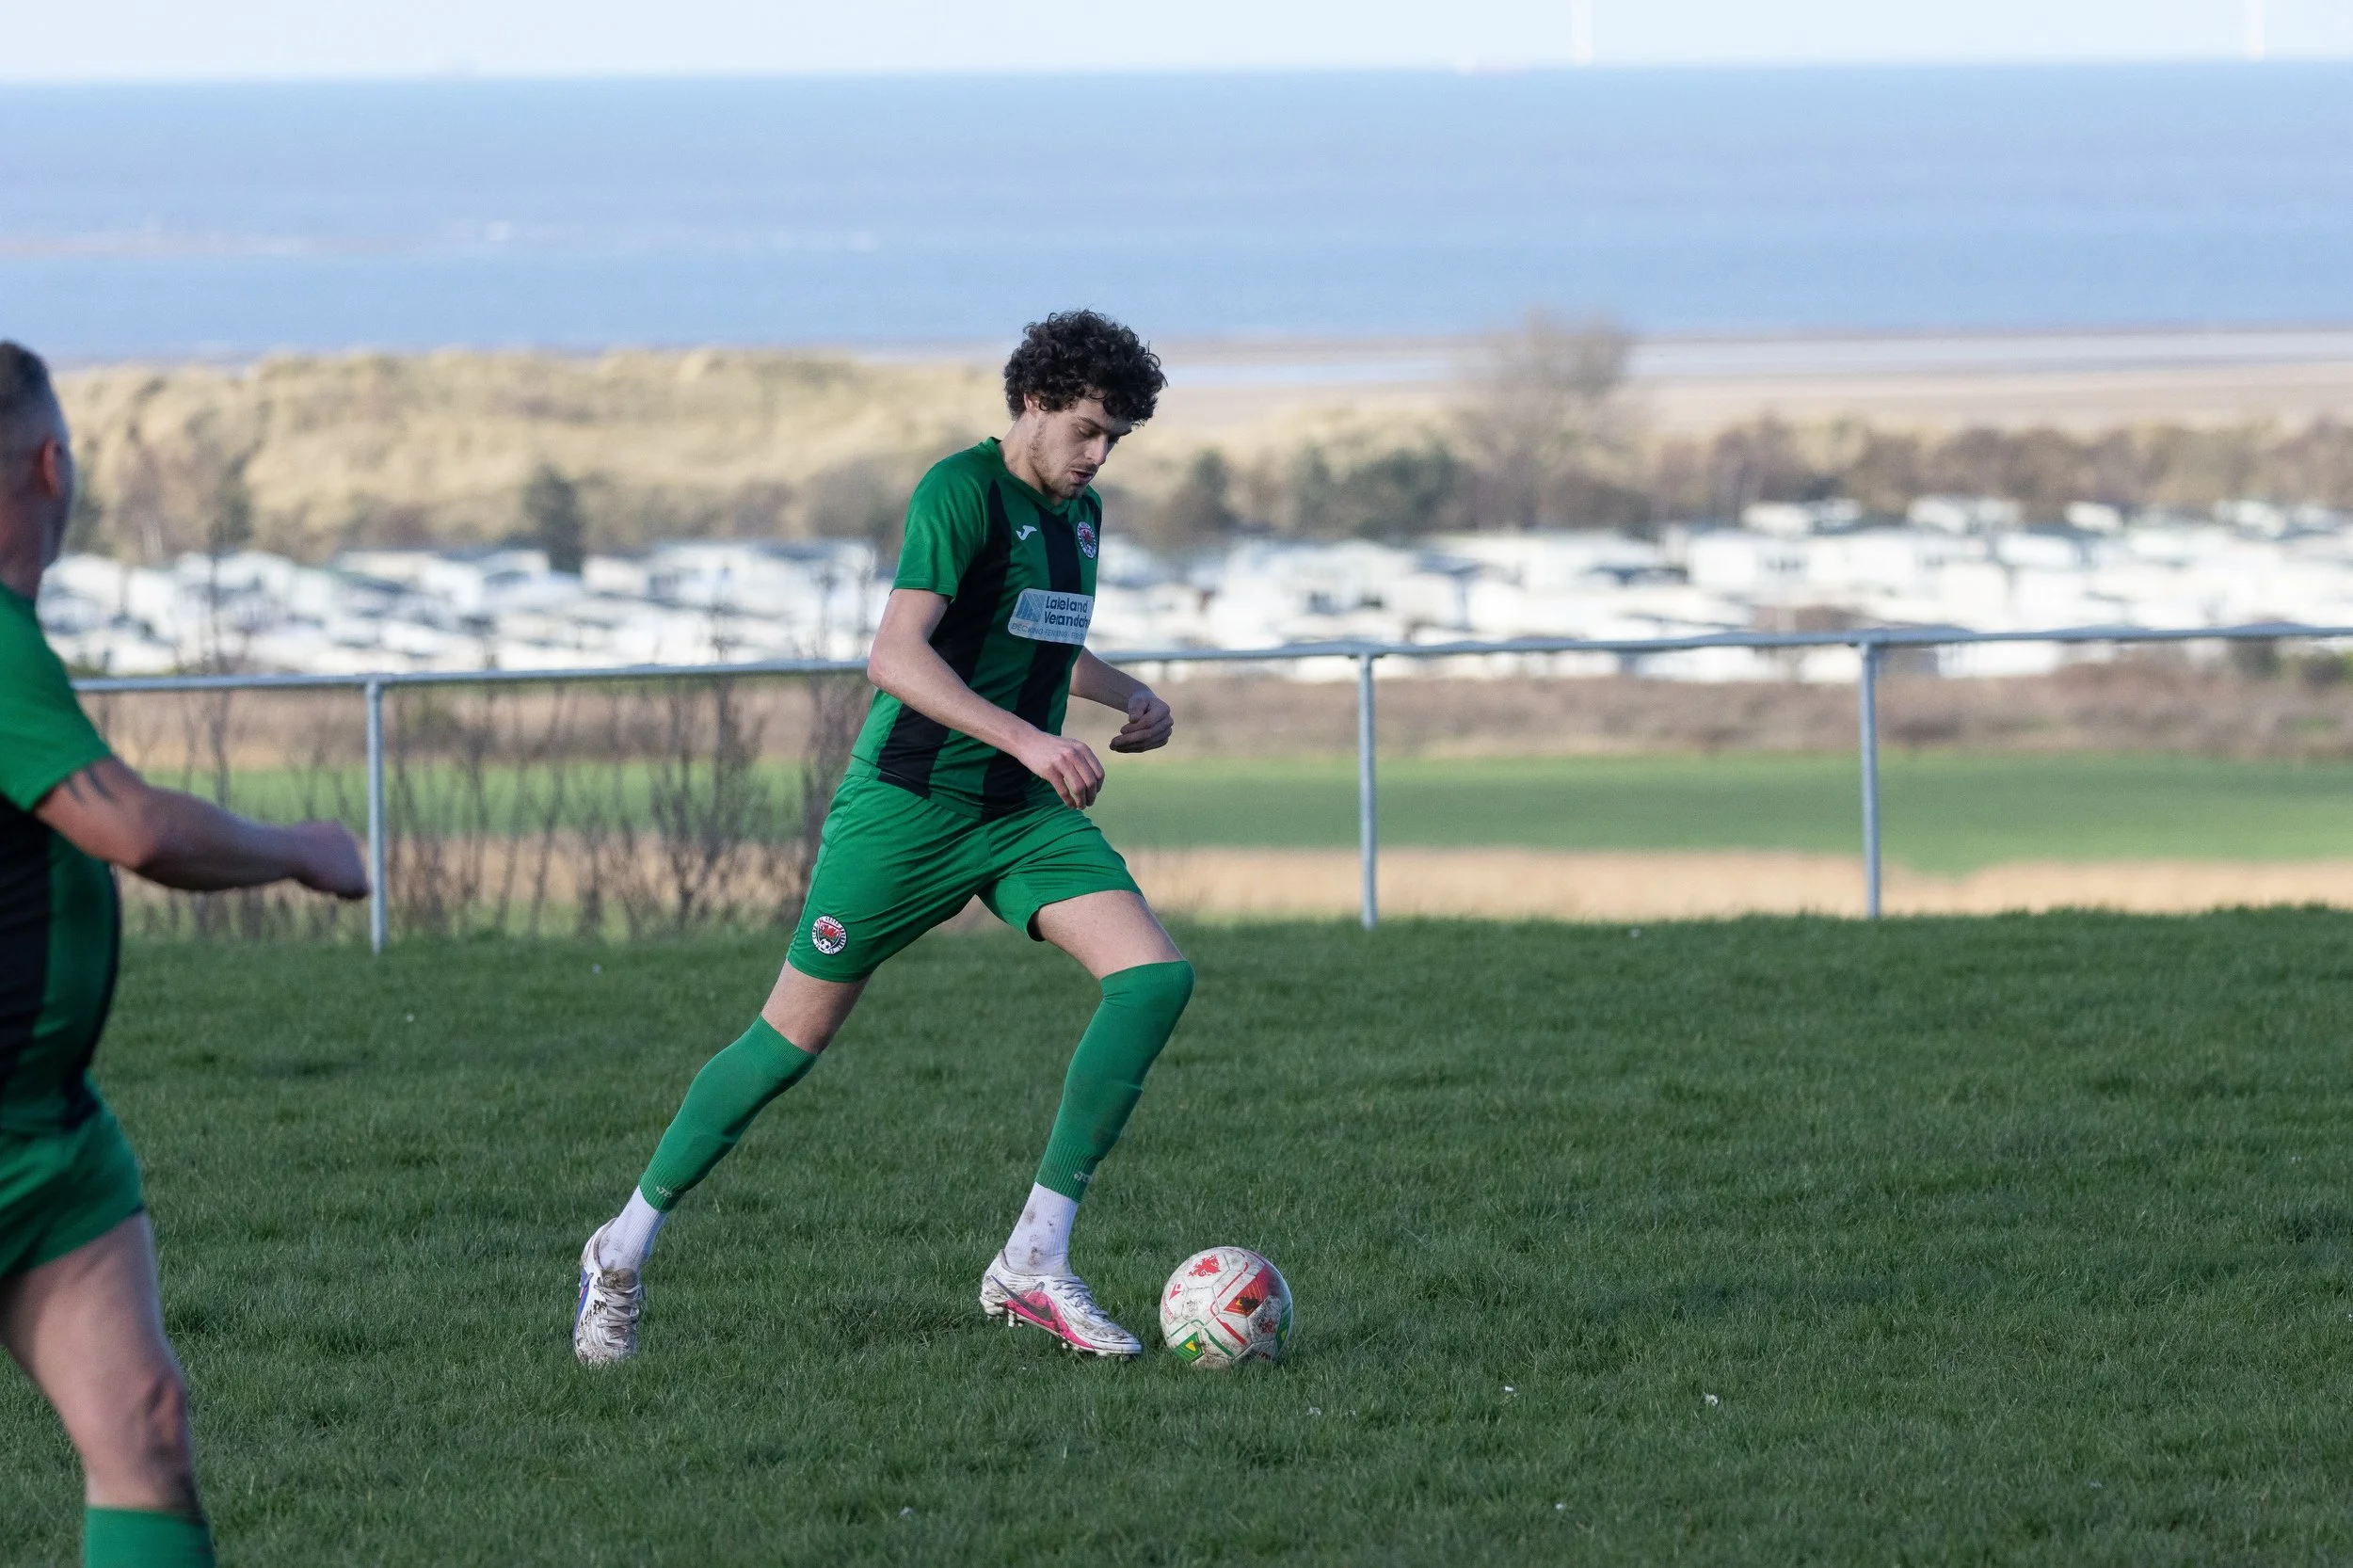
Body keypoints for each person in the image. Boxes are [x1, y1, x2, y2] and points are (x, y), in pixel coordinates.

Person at [575, 311, 1190, 1363]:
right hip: (907, 809)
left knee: (1152, 980)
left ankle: (1034, 1257)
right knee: (787, 1043)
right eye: (1087, 430)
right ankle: (620, 1250)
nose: (1097, 458)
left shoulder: (1080, 515)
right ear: (1034, 404)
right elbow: (896, 656)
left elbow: (1039, 638)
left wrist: (1122, 691)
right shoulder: (958, 491)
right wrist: (1031, 742)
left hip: (1017, 815)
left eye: (1116, 442)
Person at [0, 342, 371, 1568]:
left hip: (46, 1132)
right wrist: (299, 845)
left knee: (143, 1427)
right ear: (54, 467)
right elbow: (131, 827)